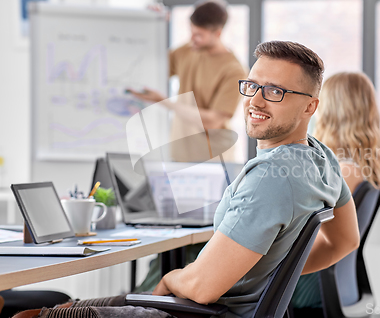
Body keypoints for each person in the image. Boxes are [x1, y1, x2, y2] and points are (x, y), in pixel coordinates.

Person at [14, 41, 359, 318]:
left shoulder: (272, 176)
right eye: (252, 85)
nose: (254, 100)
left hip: (205, 311)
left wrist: (168, 277)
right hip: (219, 307)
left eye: (275, 92)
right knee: (62, 306)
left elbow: (202, 288)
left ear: (310, 107)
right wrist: (272, 278)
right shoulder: (320, 157)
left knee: (33, 315)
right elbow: (346, 240)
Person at [291, 72, 380, 316]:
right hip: (340, 283)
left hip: (314, 285)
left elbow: (312, 239)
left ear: (330, 112)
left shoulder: (342, 171)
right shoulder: (365, 168)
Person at [129, 0, 247, 162]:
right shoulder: (187, 51)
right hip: (179, 155)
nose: (192, 39)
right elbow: (147, 70)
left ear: (218, 33)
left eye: (199, 35)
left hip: (215, 159)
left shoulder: (235, 71)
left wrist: (164, 102)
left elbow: (212, 121)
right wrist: (151, 25)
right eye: (191, 32)